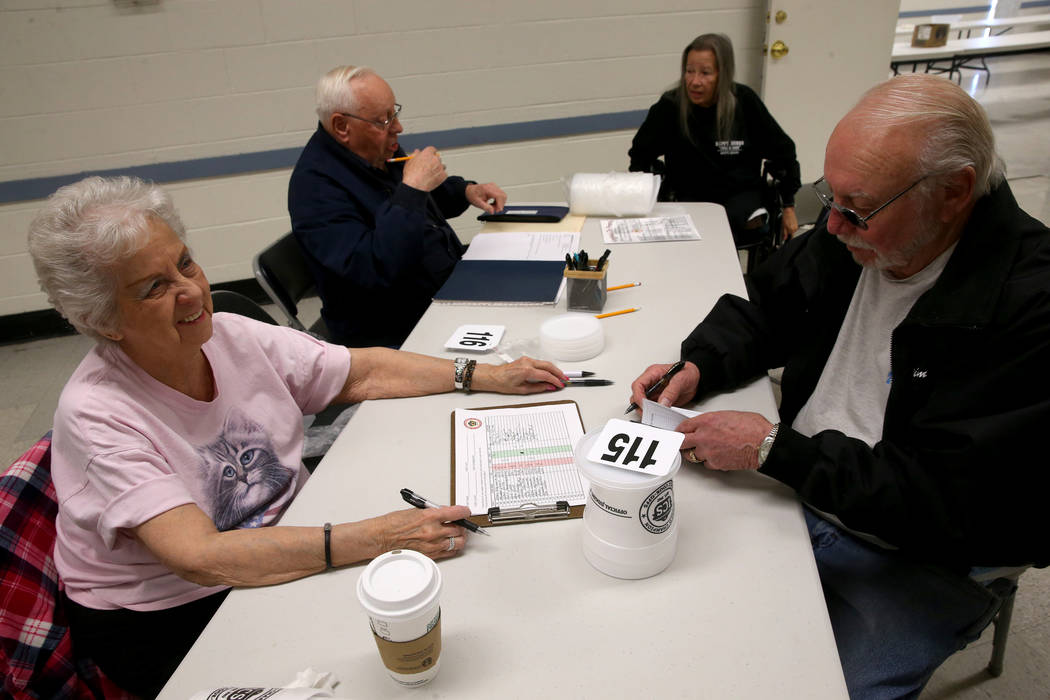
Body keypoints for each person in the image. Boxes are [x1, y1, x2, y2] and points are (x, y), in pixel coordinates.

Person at [27, 176, 565, 698]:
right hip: (172, 614)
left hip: (282, 531)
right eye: (154, 287)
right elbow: (200, 557)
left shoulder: (230, 335)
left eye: (185, 262)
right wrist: (377, 538)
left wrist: (482, 375)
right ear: (102, 320)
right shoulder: (97, 413)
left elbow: (360, 372)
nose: (191, 290)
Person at [629, 74, 1050, 699]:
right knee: (669, 642)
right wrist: (699, 365)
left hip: (921, 553)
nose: (832, 224)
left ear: (955, 191)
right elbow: (764, 306)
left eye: (858, 207)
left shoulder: (1031, 309)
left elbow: (950, 501)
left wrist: (775, 450)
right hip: (800, 488)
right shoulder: (851, 234)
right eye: (831, 196)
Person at [288, 65, 508, 348]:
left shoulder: (372, 149)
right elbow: (376, 270)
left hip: (441, 287)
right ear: (342, 126)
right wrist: (412, 188)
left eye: (394, 113)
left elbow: (424, 202)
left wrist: (464, 191)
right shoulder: (315, 189)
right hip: (392, 328)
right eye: (382, 120)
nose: (397, 128)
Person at [628, 33, 801, 246]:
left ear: (723, 74)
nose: (694, 81)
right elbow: (640, 155)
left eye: (705, 73)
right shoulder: (670, 106)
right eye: (689, 71)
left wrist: (789, 206)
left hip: (739, 197)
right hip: (688, 197)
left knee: (731, 227)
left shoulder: (744, 102)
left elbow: (783, 151)